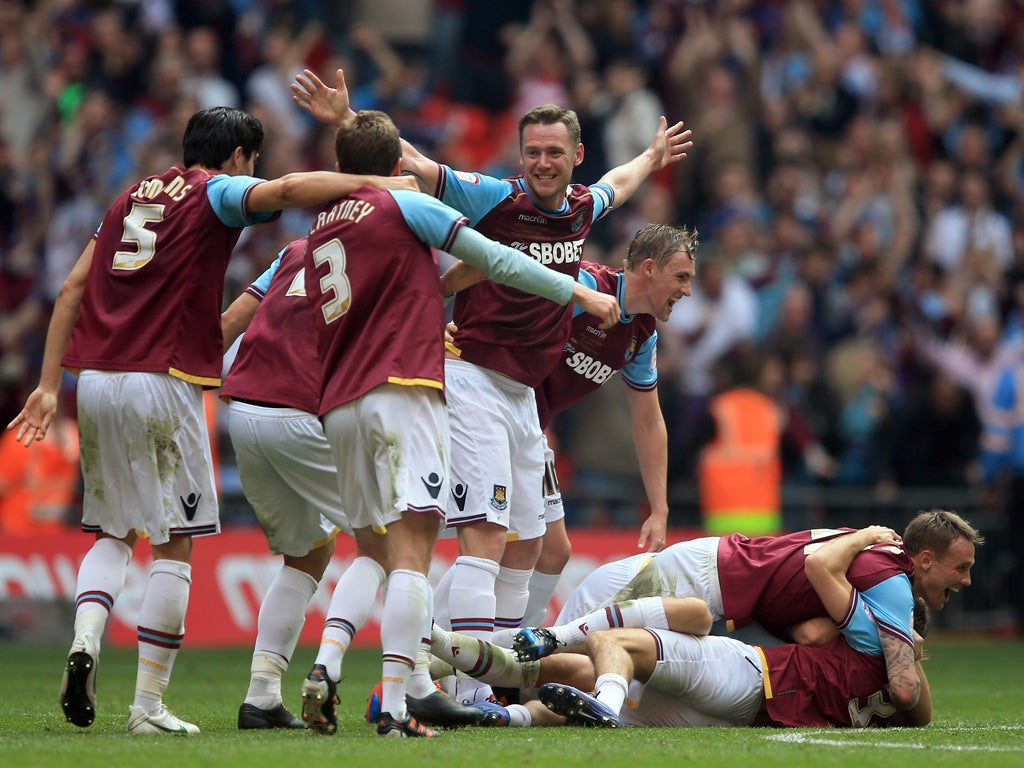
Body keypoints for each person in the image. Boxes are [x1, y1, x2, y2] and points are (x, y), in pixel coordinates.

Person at [5, 106, 443, 736]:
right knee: (174, 543)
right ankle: (148, 706)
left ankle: (85, 641)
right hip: (166, 378)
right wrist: (374, 185)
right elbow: (290, 191)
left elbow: (72, 287)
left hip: (95, 379)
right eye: (253, 163)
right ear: (238, 158)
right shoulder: (215, 190)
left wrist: (49, 384)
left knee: (112, 531)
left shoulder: (128, 196)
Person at [290, 67, 692, 706]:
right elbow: (418, 166)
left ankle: (484, 674)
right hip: (473, 376)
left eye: (555, 152)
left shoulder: (583, 211)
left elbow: (620, 183)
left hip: (523, 399)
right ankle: (462, 687)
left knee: (532, 545)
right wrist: (347, 122)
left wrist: (650, 153)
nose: (542, 163)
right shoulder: (496, 199)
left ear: (576, 157)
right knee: (484, 533)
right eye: (532, 151)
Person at [220, 232, 481, 733]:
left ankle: (261, 695)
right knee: (392, 548)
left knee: (308, 555)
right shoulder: (383, 244)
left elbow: (231, 322)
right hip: (300, 410)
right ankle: (404, 683)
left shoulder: (294, 248)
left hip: (245, 411)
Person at [439, 222, 699, 627]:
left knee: (552, 550)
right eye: (681, 278)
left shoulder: (641, 335)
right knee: (495, 538)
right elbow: (502, 270)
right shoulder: (581, 285)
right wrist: (458, 329)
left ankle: (513, 652)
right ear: (649, 268)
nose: (687, 291)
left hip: (528, 425)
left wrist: (660, 508)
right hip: (487, 405)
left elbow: (649, 422)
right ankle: (437, 646)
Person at [429, 526, 933, 729]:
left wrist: (865, 533)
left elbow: (819, 592)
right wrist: (902, 641)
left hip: (746, 671)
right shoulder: (891, 678)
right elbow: (913, 698)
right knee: (588, 671)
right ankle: (490, 707)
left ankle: (444, 665)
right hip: (749, 705)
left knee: (601, 654)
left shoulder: (859, 624)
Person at [514, 509, 981, 712]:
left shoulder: (876, 563)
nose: (966, 580)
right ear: (924, 560)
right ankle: (484, 684)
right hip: (711, 575)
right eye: (960, 568)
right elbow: (903, 689)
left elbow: (812, 628)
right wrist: (861, 536)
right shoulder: (887, 573)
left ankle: (504, 694)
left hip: (727, 589)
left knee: (603, 660)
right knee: (579, 643)